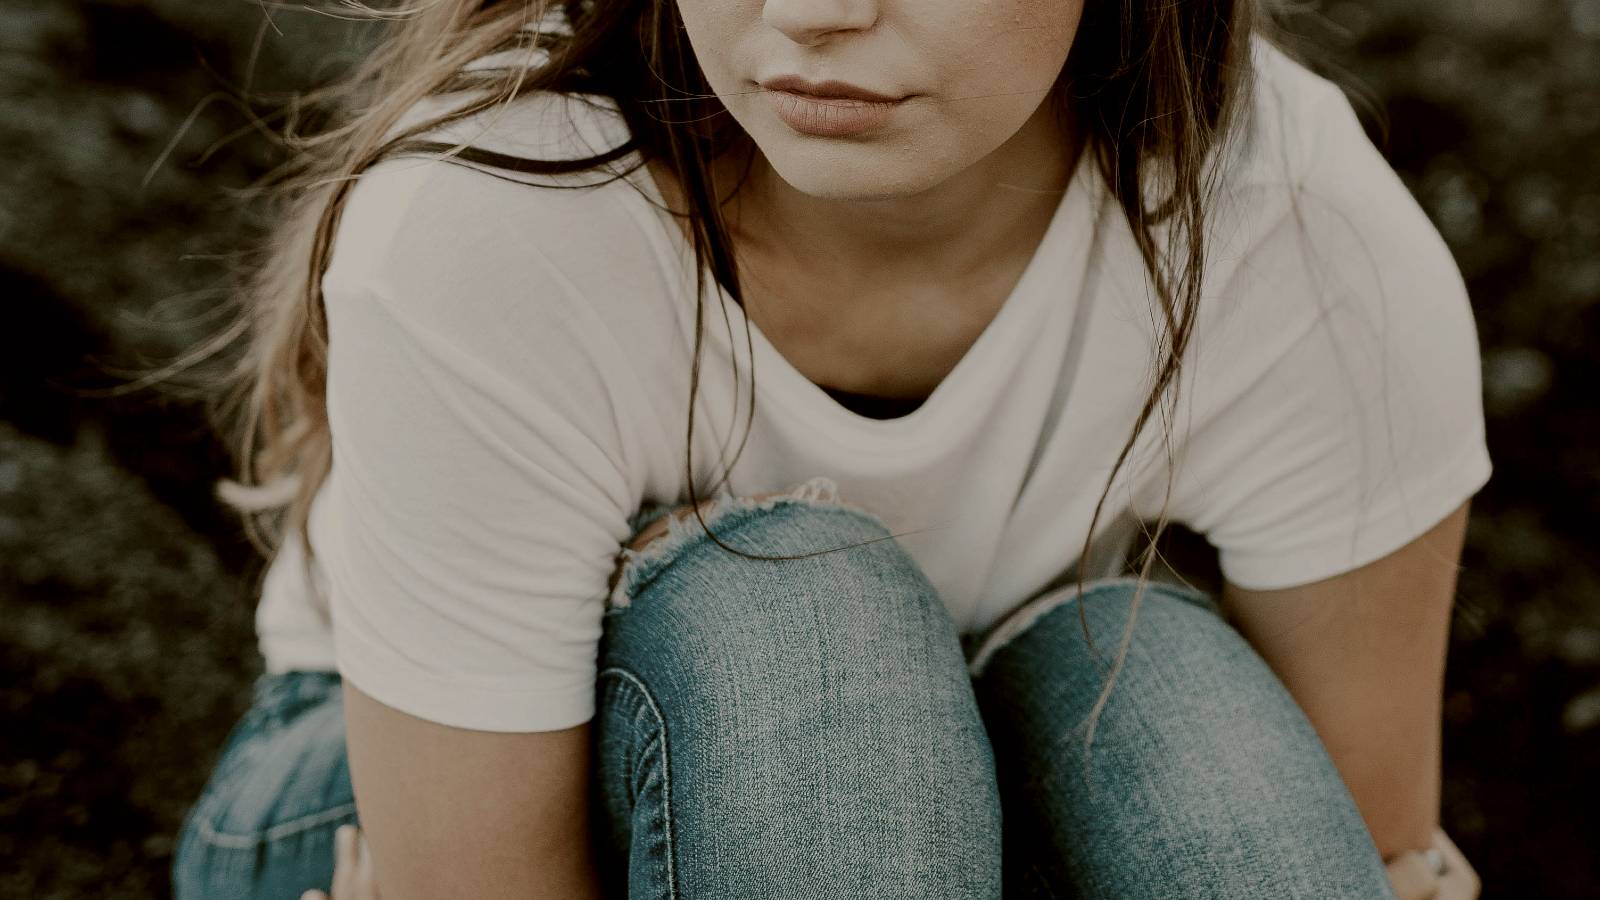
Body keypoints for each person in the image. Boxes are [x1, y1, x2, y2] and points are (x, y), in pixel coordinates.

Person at [171, 0, 1493, 896]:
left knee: (1154, 683)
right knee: (806, 619)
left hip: (969, 756)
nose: (811, 10)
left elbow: (1372, 851)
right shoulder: (492, 217)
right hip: (418, 804)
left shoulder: (1297, 234)